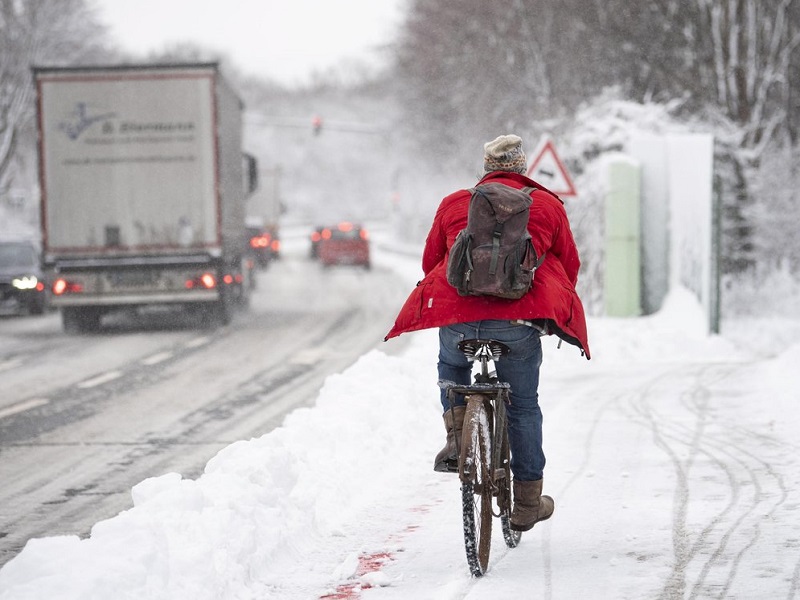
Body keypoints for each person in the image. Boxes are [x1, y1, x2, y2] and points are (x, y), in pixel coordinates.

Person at [385, 134, 590, 532]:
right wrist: (549, 314)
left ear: (486, 167)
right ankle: (528, 502)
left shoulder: (455, 203)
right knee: (524, 405)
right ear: (522, 165)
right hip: (518, 321)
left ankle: (458, 435)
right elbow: (569, 265)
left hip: (459, 318)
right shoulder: (546, 204)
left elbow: (431, 260)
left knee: (451, 363)